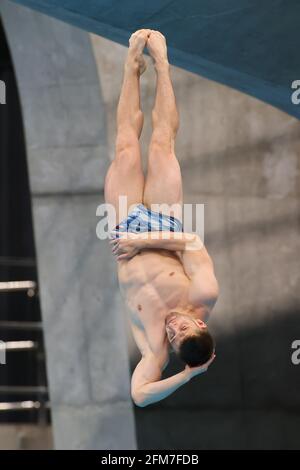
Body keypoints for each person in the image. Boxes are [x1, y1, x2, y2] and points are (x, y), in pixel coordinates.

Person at [104, 29, 219, 407]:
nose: (172, 328)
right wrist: (144, 241)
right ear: (200, 323)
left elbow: (139, 396)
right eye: (181, 328)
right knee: (161, 142)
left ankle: (131, 68)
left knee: (124, 147)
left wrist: (189, 373)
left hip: (123, 228)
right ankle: (163, 67)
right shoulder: (203, 295)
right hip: (163, 226)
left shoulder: (156, 349)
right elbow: (191, 242)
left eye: (173, 336)